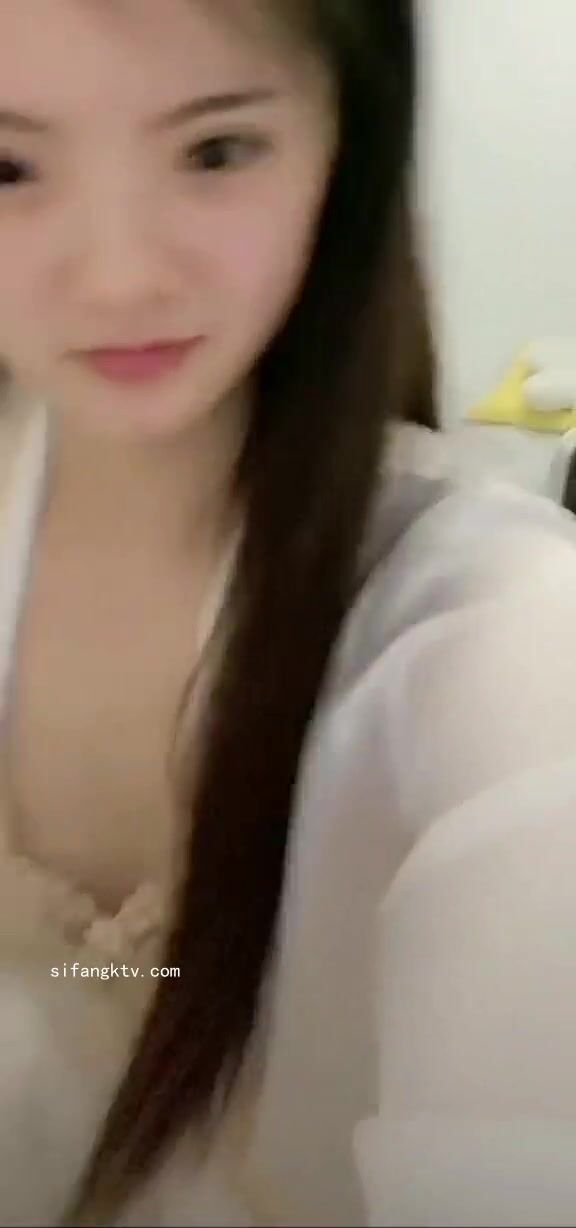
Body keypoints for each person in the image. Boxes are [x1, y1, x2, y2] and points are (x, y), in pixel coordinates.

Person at [2, 2, 576, 1225]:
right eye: (6, 168)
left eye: (216, 151)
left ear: (344, 147)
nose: (118, 274)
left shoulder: (501, 642)